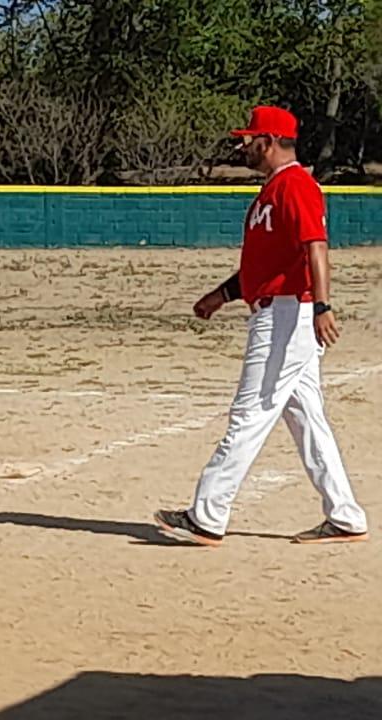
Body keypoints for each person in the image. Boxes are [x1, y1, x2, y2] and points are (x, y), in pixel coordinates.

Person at [154, 106, 368, 546]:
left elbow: (317, 248)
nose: (243, 145)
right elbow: (265, 266)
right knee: (307, 418)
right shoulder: (272, 191)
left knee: (250, 413)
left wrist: (323, 305)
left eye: (249, 139)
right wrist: (221, 296)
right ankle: (345, 516)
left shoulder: (295, 186)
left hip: (289, 316)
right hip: (280, 310)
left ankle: (207, 516)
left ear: (268, 141)